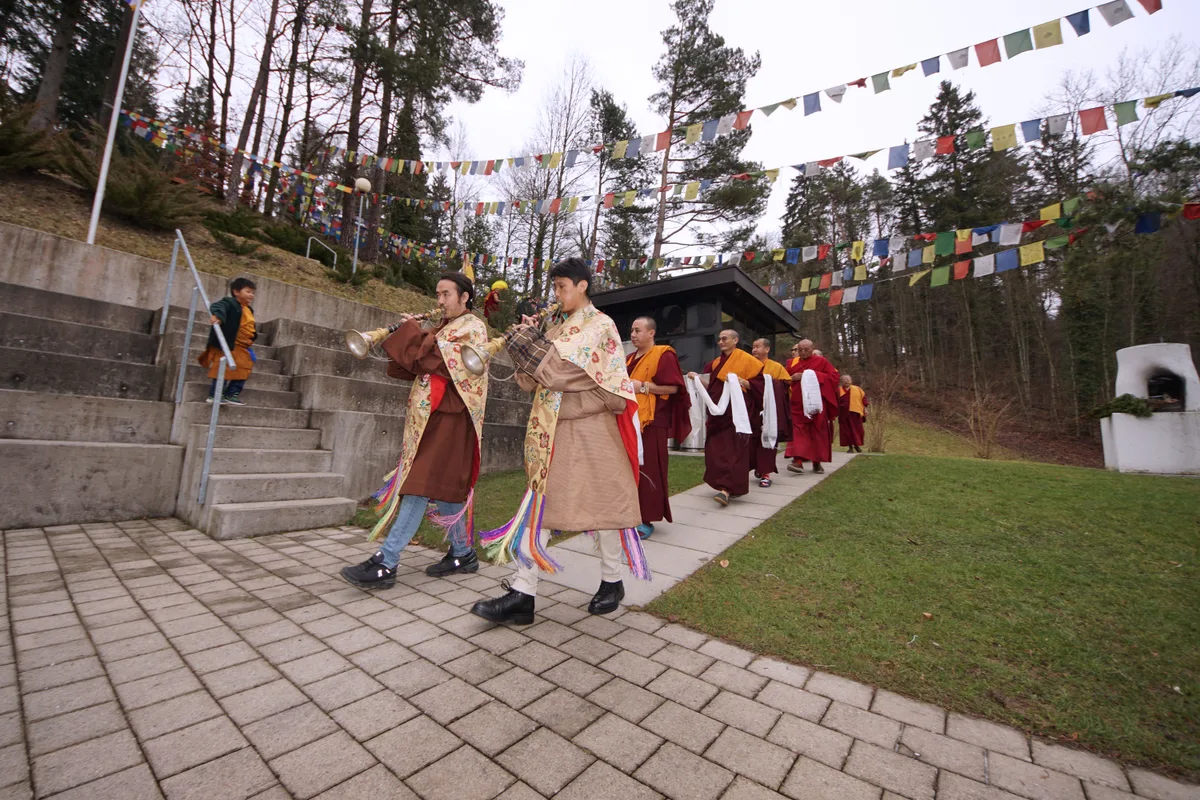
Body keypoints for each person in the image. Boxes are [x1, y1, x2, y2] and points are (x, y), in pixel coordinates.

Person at [471, 258, 647, 624]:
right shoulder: (557, 327)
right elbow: (531, 380)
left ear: (582, 286)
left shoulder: (600, 324)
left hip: (594, 428)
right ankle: (523, 592)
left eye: (562, 286)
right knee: (541, 507)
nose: (556, 294)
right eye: (554, 287)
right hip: (554, 430)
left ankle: (612, 580)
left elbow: (563, 371)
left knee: (606, 510)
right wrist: (525, 342)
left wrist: (532, 344)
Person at [340, 273, 490, 588]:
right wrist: (407, 334)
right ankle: (463, 553)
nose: (440, 301)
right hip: (432, 418)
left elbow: (443, 360)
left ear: (464, 297)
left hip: (452, 419)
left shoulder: (474, 327)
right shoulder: (443, 327)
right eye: (438, 294)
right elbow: (416, 363)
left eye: (446, 294)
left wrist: (414, 334)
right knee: (443, 489)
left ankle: (387, 562)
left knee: (417, 486)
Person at [627, 316, 691, 538]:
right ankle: (628, 514)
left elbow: (674, 388)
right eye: (632, 330)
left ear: (651, 332)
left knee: (650, 468)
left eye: (638, 330)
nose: (633, 335)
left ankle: (646, 518)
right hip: (628, 420)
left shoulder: (663, 354)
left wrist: (643, 387)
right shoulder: (628, 359)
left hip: (652, 421)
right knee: (629, 469)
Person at [688, 330, 763, 506]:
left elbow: (759, 387)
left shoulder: (748, 361)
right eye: (719, 339)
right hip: (718, 415)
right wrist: (698, 379)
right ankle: (724, 485)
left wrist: (740, 381)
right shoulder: (715, 363)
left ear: (735, 340)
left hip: (735, 414)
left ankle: (726, 489)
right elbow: (713, 388)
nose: (721, 342)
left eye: (725, 339)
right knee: (716, 451)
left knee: (733, 451)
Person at [199, 277, 257, 406]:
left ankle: (231, 393)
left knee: (247, 364)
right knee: (223, 366)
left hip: (243, 345)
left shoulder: (248, 309)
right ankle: (215, 394)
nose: (251, 295)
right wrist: (218, 316)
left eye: (253, 293)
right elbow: (218, 307)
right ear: (236, 292)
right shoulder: (230, 303)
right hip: (229, 342)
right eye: (248, 291)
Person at [785, 339, 840, 474]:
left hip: (816, 403)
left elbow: (834, 377)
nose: (803, 352)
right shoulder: (792, 363)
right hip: (797, 403)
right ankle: (798, 461)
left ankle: (817, 462)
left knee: (817, 432)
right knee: (797, 431)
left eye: (806, 350)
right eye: (800, 350)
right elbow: (783, 378)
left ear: (812, 349)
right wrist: (792, 378)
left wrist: (810, 375)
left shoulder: (821, 362)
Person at [749, 338, 792, 488]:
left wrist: (768, 383)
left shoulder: (776, 367)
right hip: (752, 409)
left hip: (770, 410)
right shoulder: (748, 365)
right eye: (753, 347)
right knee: (751, 441)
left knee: (768, 441)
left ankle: (765, 473)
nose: (754, 350)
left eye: (758, 347)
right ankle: (757, 467)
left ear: (767, 349)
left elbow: (786, 385)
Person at [838, 373, 869, 453]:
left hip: (855, 413)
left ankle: (856, 445)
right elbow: (835, 402)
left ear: (851, 380)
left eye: (848, 379)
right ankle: (850, 447)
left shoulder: (857, 389)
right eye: (844, 379)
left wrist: (865, 409)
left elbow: (864, 399)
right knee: (846, 431)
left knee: (857, 430)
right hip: (843, 414)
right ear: (841, 381)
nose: (846, 381)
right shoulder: (838, 390)